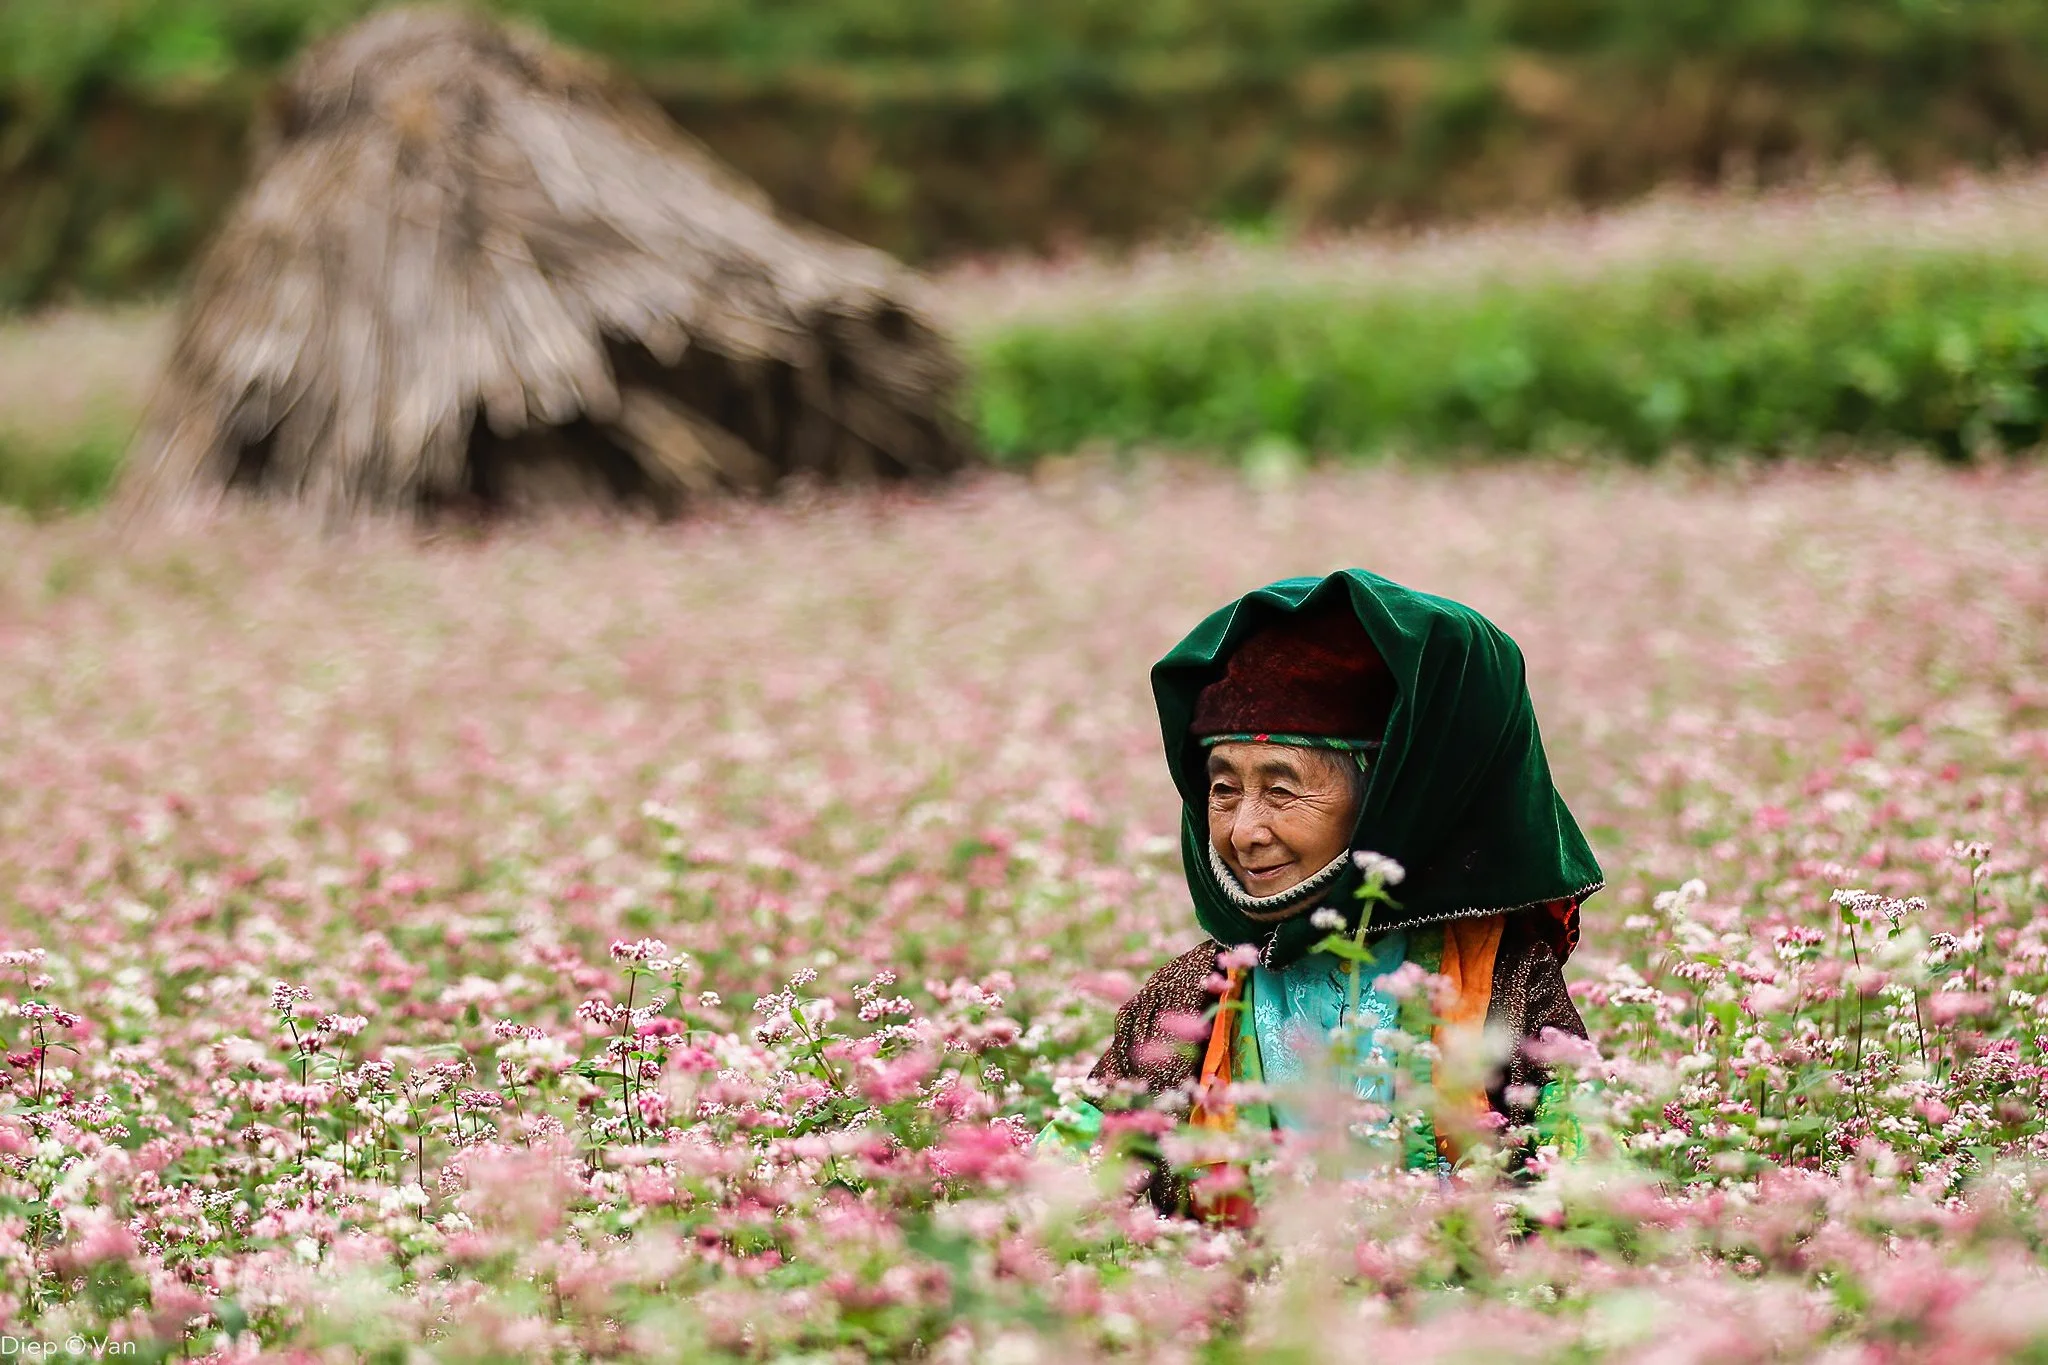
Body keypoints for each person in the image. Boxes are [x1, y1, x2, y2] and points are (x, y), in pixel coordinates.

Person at [1043, 570, 1601, 1212]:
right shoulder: (1190, 994)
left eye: (1282, 791)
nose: (1245, 832)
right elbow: (1072, 1185)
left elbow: (1583, 1193)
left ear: (1384, 806)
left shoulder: (1498, 980)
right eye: (1223, 791)